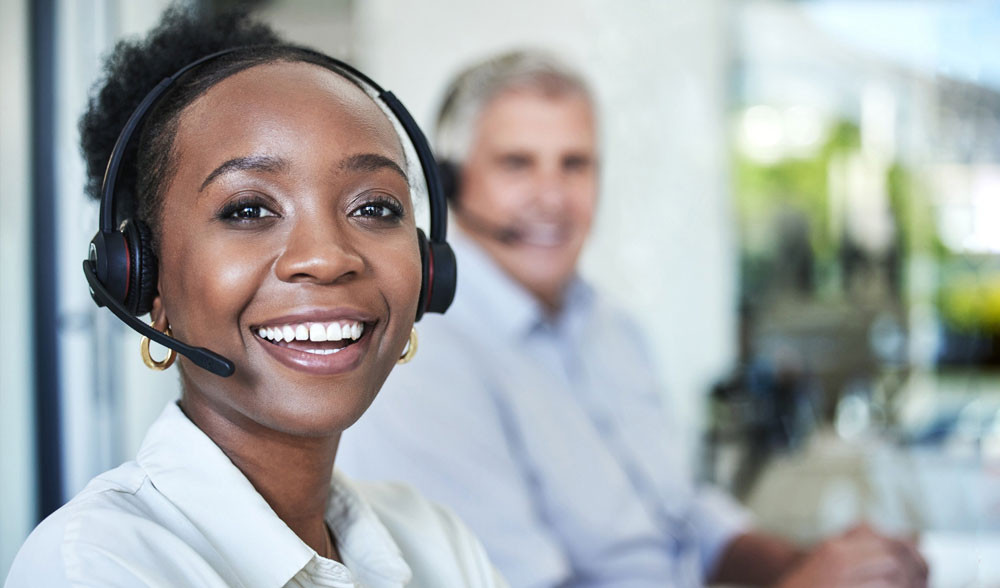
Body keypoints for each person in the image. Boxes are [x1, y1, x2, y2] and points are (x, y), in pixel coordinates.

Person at [337, 51, 929, 587]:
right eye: (517, 164)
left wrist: (810, 564)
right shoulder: (420, 359)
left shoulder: (611, 328)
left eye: (575, 165)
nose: (553, 196)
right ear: (452, 183)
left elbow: (686, 519)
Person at [6, 8, 505, 587]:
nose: (325, 257)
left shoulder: (435, 541)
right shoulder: (97, 565)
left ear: (427, 269)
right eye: (248, 210)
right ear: (145, 280)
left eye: (374, 208)